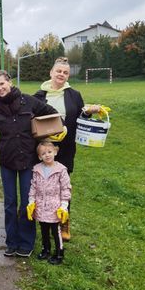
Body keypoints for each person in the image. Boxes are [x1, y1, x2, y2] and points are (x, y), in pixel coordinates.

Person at [0, 70, 57, 258]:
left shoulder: (29, 101)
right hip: (7, 160)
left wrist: (57, 130)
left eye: (2, 83)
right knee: (10, 203)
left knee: (27, 202)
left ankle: (26, 242)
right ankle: (11, 242)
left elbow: (52, 114)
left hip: (29, 160)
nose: (0, 88)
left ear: (9, 82)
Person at [34, 57, 100, 241]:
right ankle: (43, 220)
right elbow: (32, 119)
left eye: (65, 72)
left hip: (66, 147)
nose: (61, 75)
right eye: (58, 71)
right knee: (42, 186)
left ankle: (64, 223)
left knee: (63, 185)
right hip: (44, 148)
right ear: (51, 73)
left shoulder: (74, 95)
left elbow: (80, 115)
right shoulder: (39, 95)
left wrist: (88, 112)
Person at [27, 142, 72, 265]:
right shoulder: (37, 170)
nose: (47, 155)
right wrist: (32, 201)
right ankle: (45, 249)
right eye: (43, 153)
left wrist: (64, 205)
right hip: (41, 207)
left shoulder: (61, 170)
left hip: (55, 207)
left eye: (49, 152)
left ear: (55, 152)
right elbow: (33, 186)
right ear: (39, 156)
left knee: (55, 231)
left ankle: (59, 253)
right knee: (44, 230)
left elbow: (66, 188)